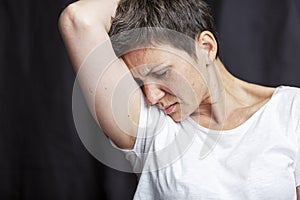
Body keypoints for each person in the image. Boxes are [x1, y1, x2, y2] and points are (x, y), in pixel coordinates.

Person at [59, 0, 300, 199]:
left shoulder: (291, 112)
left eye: (161, 72)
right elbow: (78, 19)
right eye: (141, 83)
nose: (152, 97)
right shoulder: (151, 128)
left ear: (206, 47)